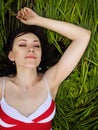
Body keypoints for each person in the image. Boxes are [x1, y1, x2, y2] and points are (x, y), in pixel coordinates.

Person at [0, 7, 91, 130]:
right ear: (11, 55)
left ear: (41, 55)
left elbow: (83, 36)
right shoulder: (2, 86)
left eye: (36, 45)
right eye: (22, 44)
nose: (31, 48)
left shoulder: (50, 81)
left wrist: (38, 20)